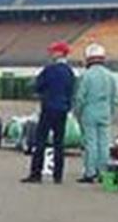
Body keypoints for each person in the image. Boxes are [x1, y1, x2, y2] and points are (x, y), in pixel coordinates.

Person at [21, 41, 77, 184]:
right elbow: (72, 91)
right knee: (59, 143)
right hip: (63, 108)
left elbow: (38, 86)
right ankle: (58, 175)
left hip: (48, 107)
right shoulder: (70, 72)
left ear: (59, 53)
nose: (51, 54)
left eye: (53, 51)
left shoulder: (49, 70)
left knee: (40, 140)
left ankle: (36, 173)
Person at [72, 43, 118, 183]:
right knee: (104, 143)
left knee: (90, 143)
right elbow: (115, 98)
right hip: (105, 112)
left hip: (89, 112)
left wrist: (77, 113)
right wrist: (111, 112)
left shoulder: (86, 76)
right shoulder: (110, 76)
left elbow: (80, 97)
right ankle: (103, 171)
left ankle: (90, 172)